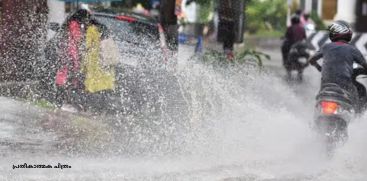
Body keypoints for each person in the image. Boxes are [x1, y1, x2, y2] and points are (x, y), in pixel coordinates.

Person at [309, 20, 367, 109]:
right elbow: (365, 65)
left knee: (319, 98)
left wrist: (319, 68)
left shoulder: (326, 47)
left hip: (326, 84)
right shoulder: (352, 49)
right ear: (348, 33)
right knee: (358, 92)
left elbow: (311, 60)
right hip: (345, 85)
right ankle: (357, 116)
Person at [281, 15, 307, 79]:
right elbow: (304, 38)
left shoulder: (290, 28)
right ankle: (300, 70)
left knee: (283, 48)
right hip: (300, 47)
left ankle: (286, 63)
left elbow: (286, 37)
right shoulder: (302, 28)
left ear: (292, 21)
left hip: (291, 45)